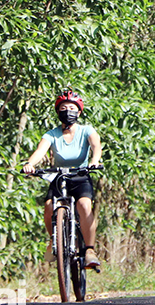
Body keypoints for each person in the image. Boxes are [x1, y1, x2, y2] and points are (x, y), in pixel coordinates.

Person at [23, 90, 103, 269]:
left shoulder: (86, 130)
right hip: (59, 177)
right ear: (58, 112)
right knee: (49, 206)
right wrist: (30, 164)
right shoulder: (52, 134)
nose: (68, 111)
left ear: (79, 112)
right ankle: (54, 241)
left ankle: (89, 250)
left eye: (72, 108)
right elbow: (40, 151)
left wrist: (94, 161)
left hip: (80, 175)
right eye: (64, 108)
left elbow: (96, 146)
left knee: (84, 205)